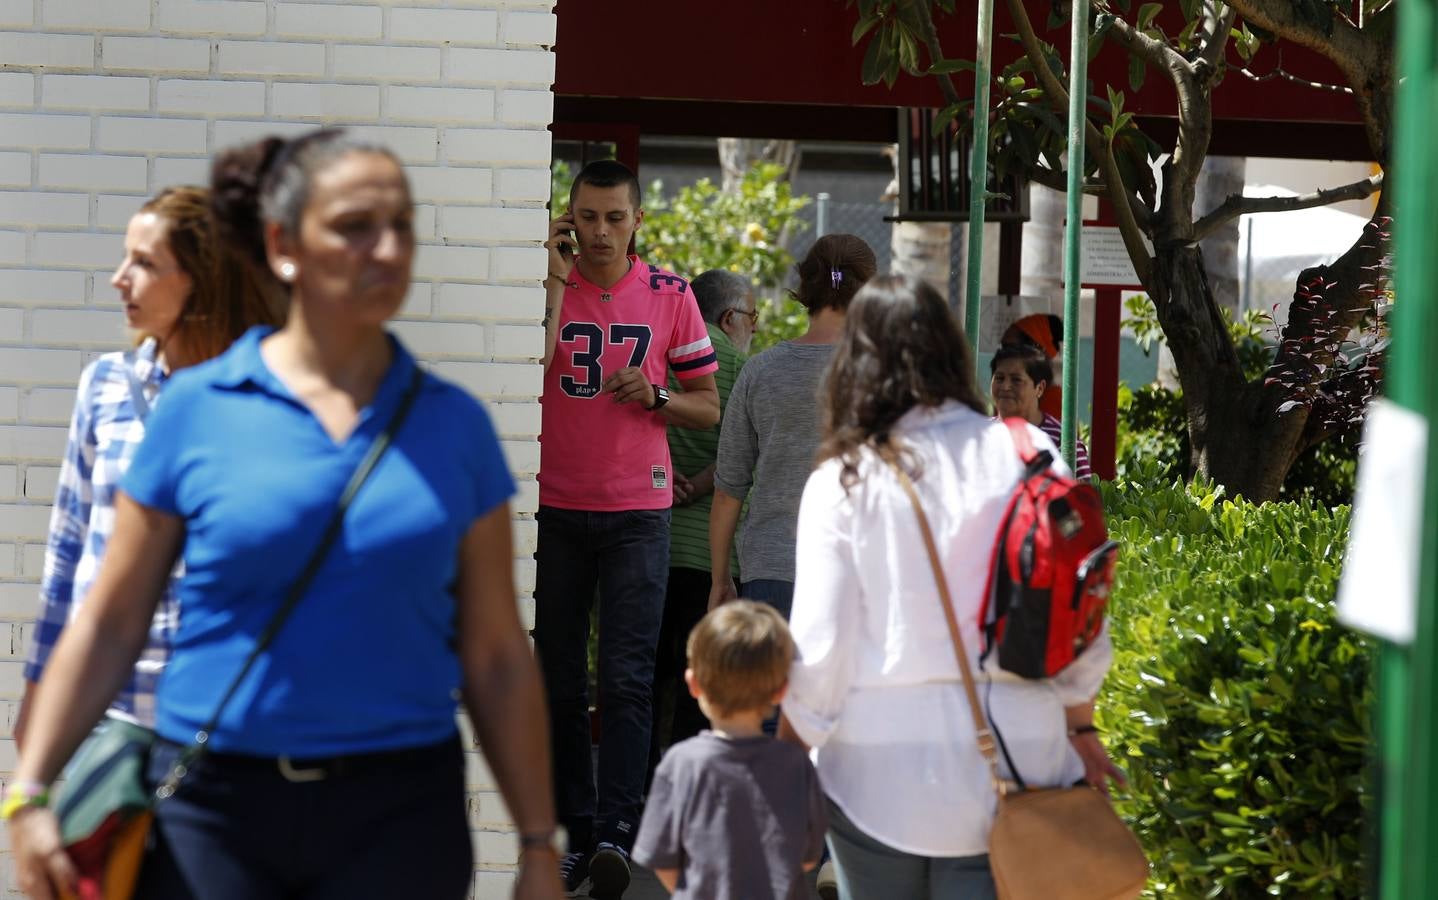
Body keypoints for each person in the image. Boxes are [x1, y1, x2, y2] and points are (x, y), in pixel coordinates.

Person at [5, 129, 563, 900]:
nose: (388, 247)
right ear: (283, 245)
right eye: (355, 225)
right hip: (216, 811)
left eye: (400, 224)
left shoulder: (454, 426)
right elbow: (108, 619)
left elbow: (498, 655)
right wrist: (28, 790)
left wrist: (539, 845)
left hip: (398, 817)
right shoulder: (197, 411)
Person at [780, 276, 1123, 898]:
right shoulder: (1032, 457)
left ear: (857, 364)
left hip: (874, 776)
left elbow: (819, 653)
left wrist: (781, 766)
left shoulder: (844, 479)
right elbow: (1079, 615)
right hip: (1018, 764)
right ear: (952, 355)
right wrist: (1081, 727)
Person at [17, 186, 281, 747]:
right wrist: (40, 689)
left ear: (201, 278)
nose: (119, 278)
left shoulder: (268, 399)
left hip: (223, 721)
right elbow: (68, 547)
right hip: (106, 712)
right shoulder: (105, 385)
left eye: (143, 263)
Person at [537, 159, 720, 897]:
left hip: (638, 512)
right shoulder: (547, 285)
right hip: (553, 505)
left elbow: (708, 406)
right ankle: (576, 832)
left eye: (615, 218)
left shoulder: (672, 296)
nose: (601, 232)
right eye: (588, 217)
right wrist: (552, 281)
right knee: (555, 680)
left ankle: (617, 830)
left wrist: (657, 397)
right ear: (568, 218)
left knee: (626, 677)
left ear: (638, 220)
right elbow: (530, 364)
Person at [708, 234, 877, 620]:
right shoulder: (884, 372)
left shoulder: (761, 371)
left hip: (770, 567)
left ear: (804, 286)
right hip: (859, 566)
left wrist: (720, 579)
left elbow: (728, 489)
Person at [634, 601, 826, 899]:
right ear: (781, 690)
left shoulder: (681, 764)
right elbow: (808, 856)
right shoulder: (796, 765)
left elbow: (661, 857)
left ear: (694, 684)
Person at [649, 269, 754, 779]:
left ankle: (639, 781)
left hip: (649, 535)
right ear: (731, 317)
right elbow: (743, 455)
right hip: (711, 552)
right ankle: (681, 783)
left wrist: (669, 479)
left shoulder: (660, 350)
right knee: (698, 674)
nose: (752, 330)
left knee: (645, 670)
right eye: (752, 319)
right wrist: (705, 481)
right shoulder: (736, 364)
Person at [989, 342, 1093, 479]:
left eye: (1016, 380)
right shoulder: (980, 434)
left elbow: (1083, 498)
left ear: (1039, 388)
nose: (1006, 386)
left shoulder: (1063, 444)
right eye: (999, 378)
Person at [1000, 313, 1065, 420]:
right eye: (1002, 348)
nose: (1003, 354)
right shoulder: (1005, 396)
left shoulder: (1054, 402)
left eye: (1010, 348)